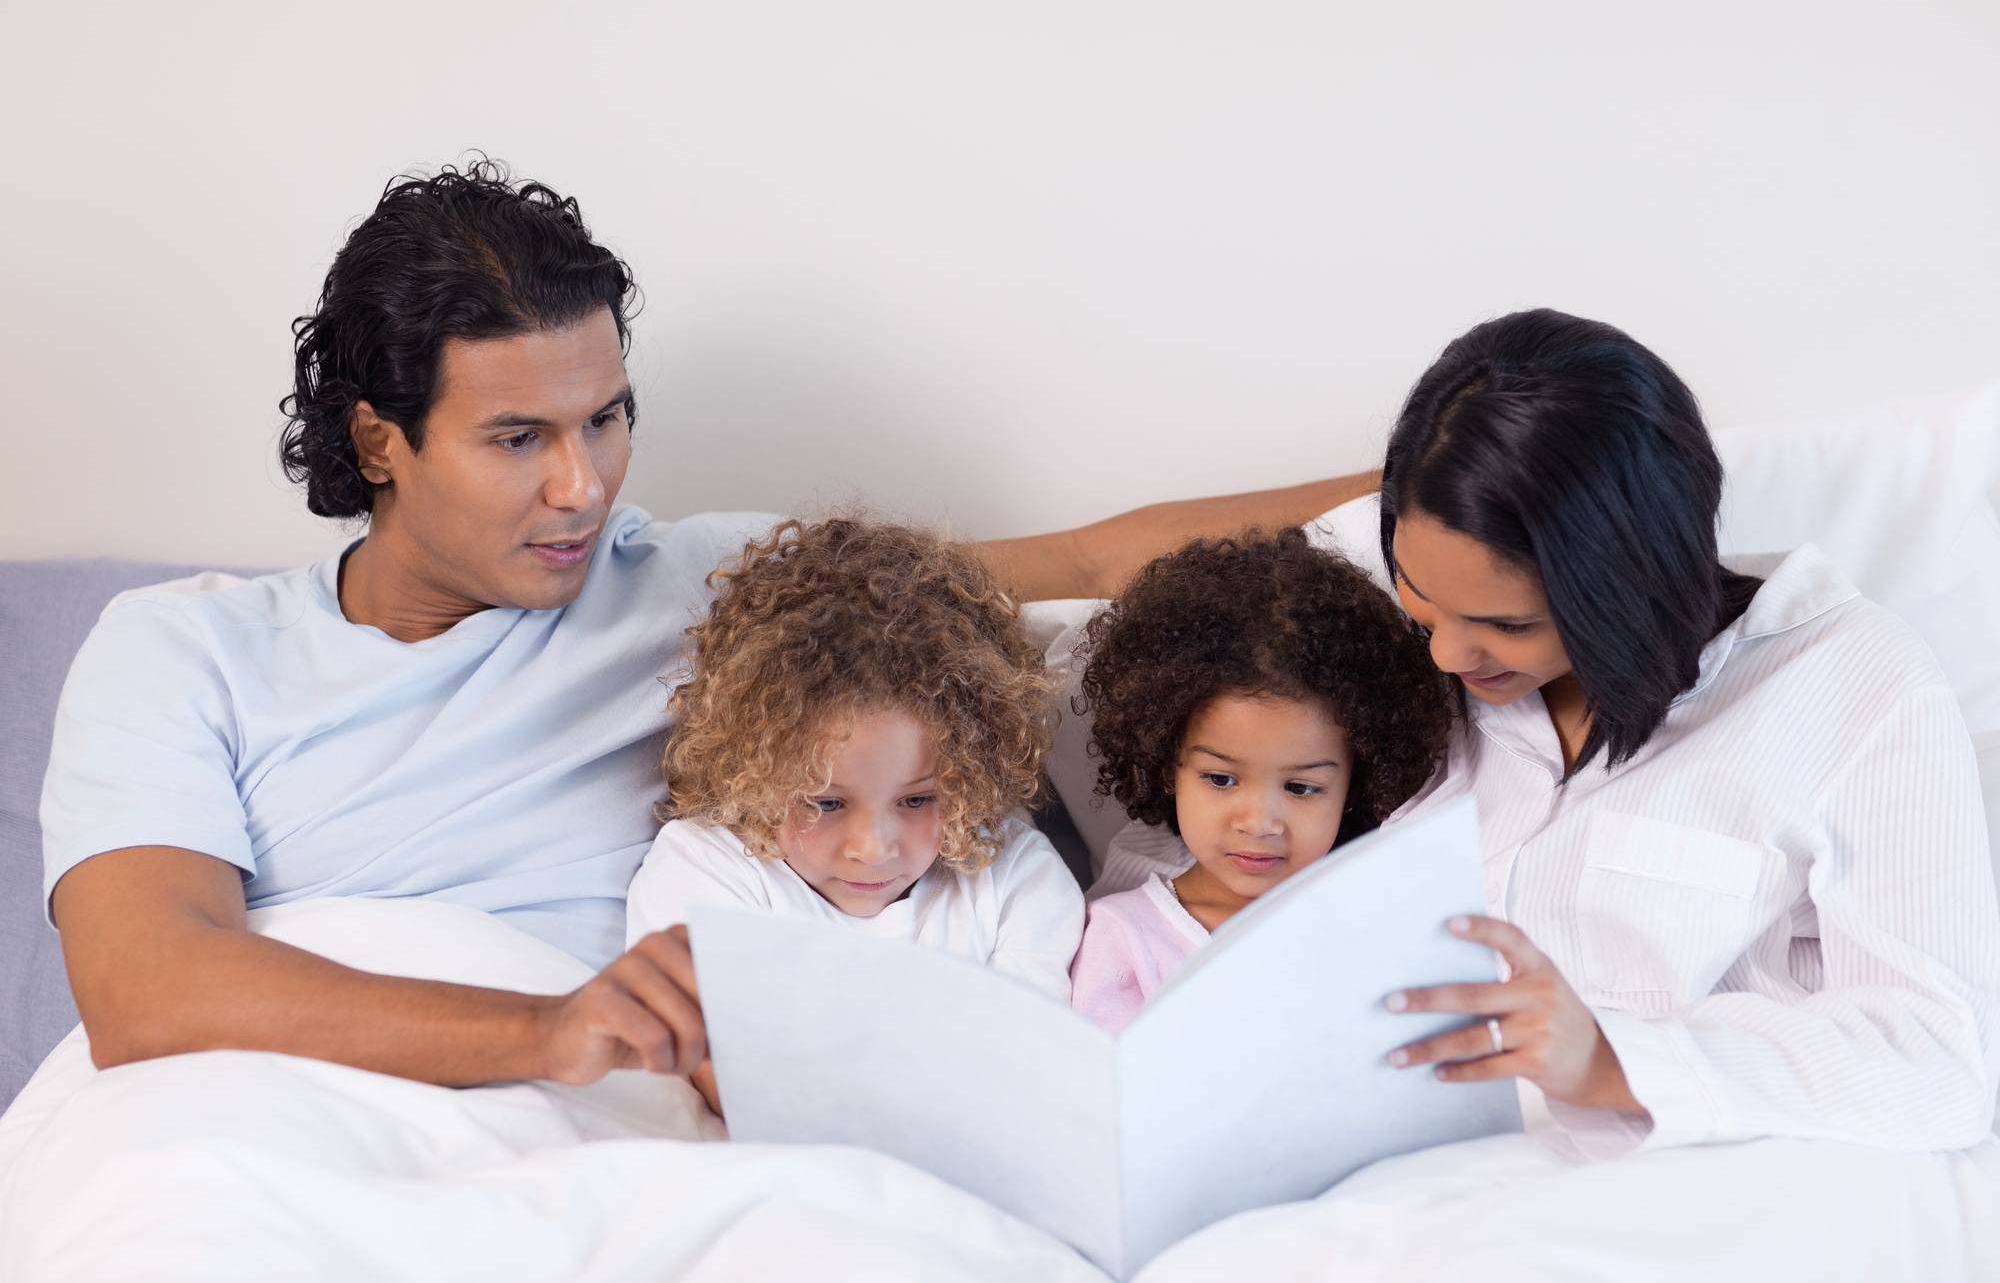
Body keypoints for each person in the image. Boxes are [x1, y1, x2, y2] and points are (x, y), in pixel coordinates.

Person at [35, 158, 1372, 1095]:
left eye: (606, 417)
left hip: (597, 1110)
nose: (585, 484)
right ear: (379, 440)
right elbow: (150, 988)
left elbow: (1089, 554)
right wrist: (545, 1028)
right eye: (519, 438)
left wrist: (1435, 493)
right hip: (304, 1100)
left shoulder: (721, 596)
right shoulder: (180, 650)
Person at [1339, 309, 1999, 1153]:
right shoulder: (1431, 564)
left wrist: (1614, 1058)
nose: (1444, 651)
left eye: (1505, 624)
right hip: (1400, 1178)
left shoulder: (1856, 685)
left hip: (1695, 1190)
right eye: (1417, 598)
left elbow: (1939, 1064)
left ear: (1626, 582)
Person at [626, 517, 1085, 1107]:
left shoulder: (1016, 877)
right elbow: (734, 1079)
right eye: (826, 802)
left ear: (975, 775)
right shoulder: (703, 869)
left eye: (918, 799)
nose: (873, 847)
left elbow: (1024, 1070)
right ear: (752, 772)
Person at [1065, 528, 1452, 1032]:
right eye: (1222, 779)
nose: (1260, 822)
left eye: (1301, 788)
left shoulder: (1380, 919)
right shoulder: (1119, 938)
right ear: (1166, 767)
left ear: (1355, 784)